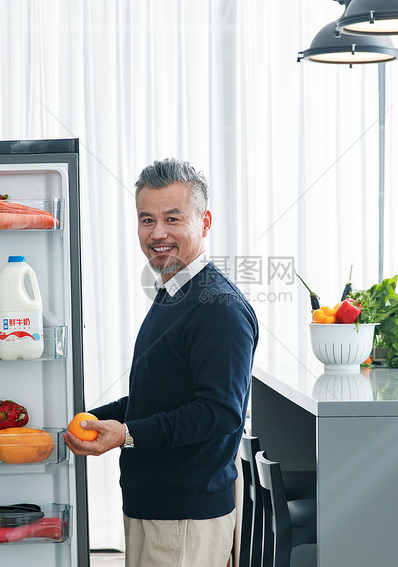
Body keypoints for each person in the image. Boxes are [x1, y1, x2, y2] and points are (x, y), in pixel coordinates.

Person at [64, 158, 259, 567]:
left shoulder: (217, 307)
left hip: (183, 517)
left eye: (173, 218)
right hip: (159, 508)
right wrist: (93, 419)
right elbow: (159, 396)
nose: (158, 234)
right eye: (146, 219)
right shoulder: (175, 293)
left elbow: (220, 413)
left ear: (204, 222)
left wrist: (128, 434)